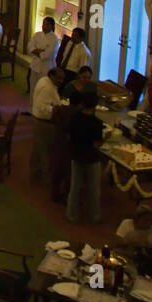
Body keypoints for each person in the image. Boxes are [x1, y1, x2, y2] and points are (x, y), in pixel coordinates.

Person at [66, 88, 104, 225]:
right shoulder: (97, 123)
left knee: (75, 187)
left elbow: (69, 135)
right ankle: (94, 216)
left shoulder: (75, 117)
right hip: (92, 158)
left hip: (76, 155)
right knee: (93, 189)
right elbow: (96, 144)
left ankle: (72, 215)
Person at [30, 68, 66, 185]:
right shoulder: (47, 88)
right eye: (59, 78)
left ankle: (35, 174)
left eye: (62, 78)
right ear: (51, 76)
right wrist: (55, 109)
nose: (61, 81)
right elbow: (42, 106)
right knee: (44, 151)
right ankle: (44, 177)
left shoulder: (45, 81)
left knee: (38, 150)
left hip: (39, 120)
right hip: (43, 122)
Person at [26, 16, 60, 97]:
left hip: (46, 68)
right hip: (35, 66)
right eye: (43, 24)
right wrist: (39, 51)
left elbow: (46, 55)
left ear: (52, 26)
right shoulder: (37, 35)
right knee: (33, 89)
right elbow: (29, 47)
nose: (44, 26)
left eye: (47, 24)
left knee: (43, 91)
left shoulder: (55, 39)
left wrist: (36, 51)